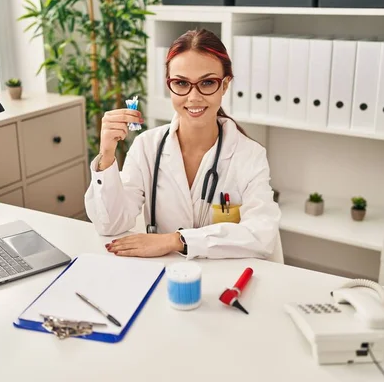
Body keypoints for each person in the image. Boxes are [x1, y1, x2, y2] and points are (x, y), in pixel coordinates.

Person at [84, 28, 283, 263]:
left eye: (207, 82)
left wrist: (176, 240)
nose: (194, 97)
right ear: (170, 85)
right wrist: (106, 154)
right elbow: (111, 225)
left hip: (224, 280)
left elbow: (261, 235)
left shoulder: (250, 155)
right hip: (163, 276)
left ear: (225, 84)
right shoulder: (146, 147)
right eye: (181, 83)